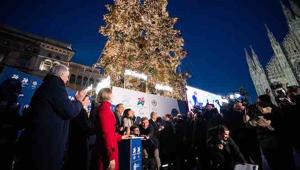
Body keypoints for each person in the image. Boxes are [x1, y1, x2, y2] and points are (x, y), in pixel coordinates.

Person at [15, 64, 90, 170]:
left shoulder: (48, 86)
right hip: (46, 144)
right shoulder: (55, 87)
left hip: (42, 140)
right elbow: (68, 111)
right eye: (67, 76)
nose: (68, 80)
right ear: (61, 75)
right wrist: (79, 102)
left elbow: (62, 107)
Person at [95, 88, 128, 170]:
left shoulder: (104, 109)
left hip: (106, 150)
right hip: (106, 153)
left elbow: (110, 133)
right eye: (112, 94)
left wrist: (120, 137)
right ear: (108, 95)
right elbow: (107, 134)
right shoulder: (105, 110)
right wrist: (111, 157)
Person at [0, 78, 22, 170]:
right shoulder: (10, 104)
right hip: (5, 145)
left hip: (8, 145)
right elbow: (15, 122)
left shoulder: (12, 104)